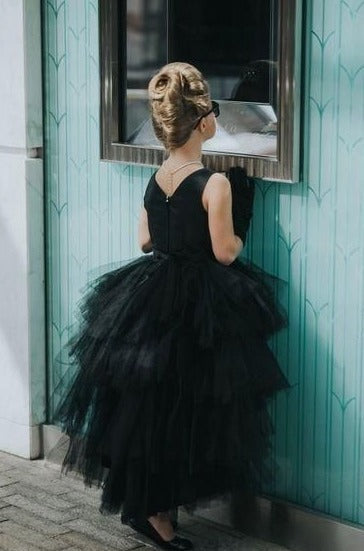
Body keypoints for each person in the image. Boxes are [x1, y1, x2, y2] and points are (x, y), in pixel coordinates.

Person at [53, 61, 291, 551]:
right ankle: (159, 517)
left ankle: (152, 507)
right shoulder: (215, 183)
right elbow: (225, 253)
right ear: (204, 122)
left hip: (152, 292)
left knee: (152, 412)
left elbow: (143, 239)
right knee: (187, 413)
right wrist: (242, 207)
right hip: (198, 302)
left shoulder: (157, 174)